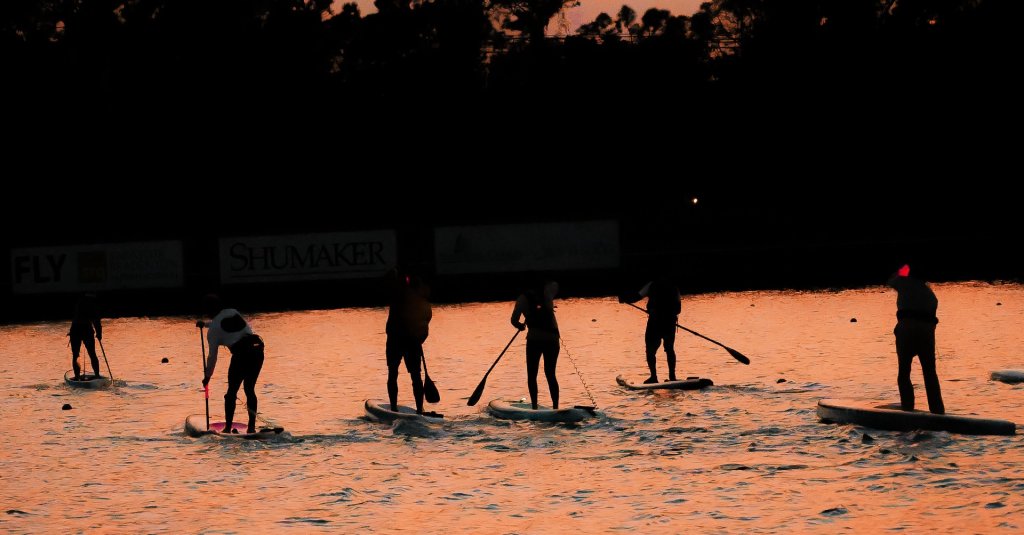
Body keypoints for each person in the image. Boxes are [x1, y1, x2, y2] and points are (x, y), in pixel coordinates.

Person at [197, 295, 266, 433]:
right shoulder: (233, 312)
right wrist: (205, 324)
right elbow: (220, 322)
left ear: (208, 311)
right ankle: (251, 428)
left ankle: (227, 428)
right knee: (249, 389)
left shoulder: (213, 332)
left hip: (241, 355)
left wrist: (207, 377)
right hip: (258, 350)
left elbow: (212, 357)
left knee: (231, 394)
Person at [887, 264, 944, 414]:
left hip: (906, 330)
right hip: (926, 333)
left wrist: (904, 267)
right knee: (930, 373)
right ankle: (937, 411)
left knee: (904, 373)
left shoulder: (903, 282)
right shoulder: (930, 296)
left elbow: (891, 280)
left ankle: (907, 409)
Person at [385, 270, 432, 414]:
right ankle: (419, 408)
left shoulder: (397, 296)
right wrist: (421, 338)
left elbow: (425, 320)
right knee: (415, 376)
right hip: (411, 342)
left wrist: (420, 337)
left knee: (393, 373)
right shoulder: (421, 301)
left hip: (396, 341)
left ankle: (394, 407)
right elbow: (426, 321)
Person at [620, 278, 681, 383]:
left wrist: (625, 298)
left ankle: (654, 377)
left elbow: (637, 296)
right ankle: (672, 377)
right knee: (669, 349)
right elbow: (678, 308)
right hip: (669, 323)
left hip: (655, 323)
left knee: (651, 351)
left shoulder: (652, 285)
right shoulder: (673, 286)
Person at [511, 280, 560, 410]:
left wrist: (520, 326)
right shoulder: (547, 293)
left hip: (534, 340)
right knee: (551, 374)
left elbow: (514, 320)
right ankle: (555, 407)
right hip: (552, 339)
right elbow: (554, 284)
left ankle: (534, 408)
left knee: (532, 375)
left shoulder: (522, 299)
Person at [68, 293, 102, 380]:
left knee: (76, 355)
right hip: (84, 330)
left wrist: (98, 332)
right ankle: (96, 375)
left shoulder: (78, 302)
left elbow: (95, 320)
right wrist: (99, 333)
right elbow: (96, 320)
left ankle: (77, 376)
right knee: (91, 353)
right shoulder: (92, 305)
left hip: (76, 330)